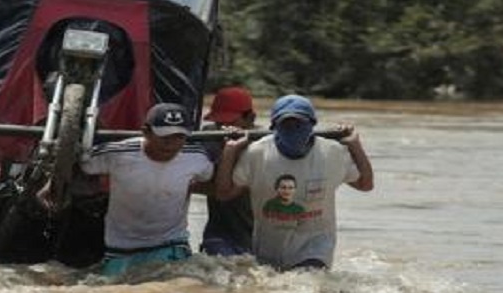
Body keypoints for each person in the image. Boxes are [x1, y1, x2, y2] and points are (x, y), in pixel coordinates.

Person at [214, 95, 374, 272]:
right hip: (269, 247)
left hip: (315, 246)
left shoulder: (332, 152)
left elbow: (365, 185)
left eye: (299, 124)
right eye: (286, 125)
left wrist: (355, 146)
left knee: (307, 283)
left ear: (312, 125)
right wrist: (229, 152)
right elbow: (224, 193)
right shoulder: (256, 154)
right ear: (274, 128)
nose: (293, 130)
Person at [73, 102, 213, 277]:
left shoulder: (197, 157)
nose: (170, 144)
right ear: (146, 131)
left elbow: (208, 180)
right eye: (164, 137)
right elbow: (79, 166)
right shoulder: (116, 154)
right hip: (122, 246)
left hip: (171, 242)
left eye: (179, 137)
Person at [199, 87, 256, 257]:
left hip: (258, 233)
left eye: (230, 122)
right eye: (219, 122)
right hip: (220, 233)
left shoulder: (264, 144)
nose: (224, 128)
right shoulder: (208, 137)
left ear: (250, 118)